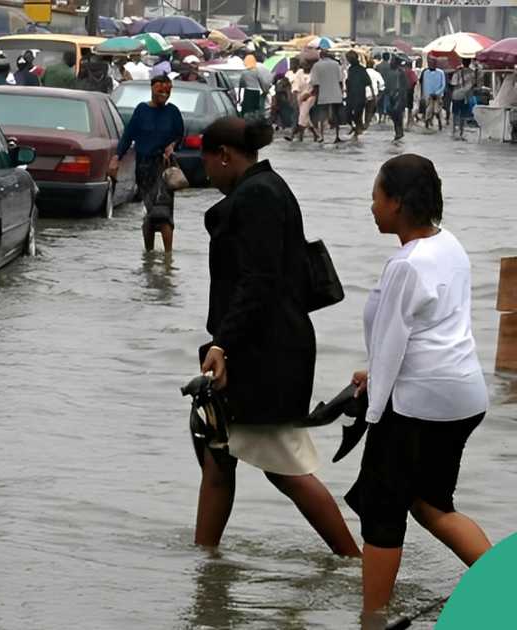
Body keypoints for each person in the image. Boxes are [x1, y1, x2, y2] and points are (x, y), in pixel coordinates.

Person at [193, 116, 362, 559]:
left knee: (283, 466)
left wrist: (222, 345)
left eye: (207, 161)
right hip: (263, 342)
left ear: (224, 155)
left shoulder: (257, 197)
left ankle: (354, 562)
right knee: (218, 452)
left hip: (263, 351)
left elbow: (257, 280)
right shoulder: (267, 188)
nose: (206, 172)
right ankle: (203, 564)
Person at [346, 154, 491, 616]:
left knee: (382, 513)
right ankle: (504, 585)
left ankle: (372, 620)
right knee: (431, 503)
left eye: (376, 197)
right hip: (462, 393)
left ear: (399, 204)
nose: (372, 206)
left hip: (419, 403)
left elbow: (392, 343)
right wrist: (377, 374)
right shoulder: (449, 244)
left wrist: (371, 414)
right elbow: (435, 327)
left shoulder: (406, 265)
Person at [111, 75, 184, 253]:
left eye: (168, 91)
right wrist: (116, 158)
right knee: (151, 212)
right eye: (161, 90)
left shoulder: (173, 112)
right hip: (144, 168)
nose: (164, 95)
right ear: (152, 88)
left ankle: (168, 258)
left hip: (164, 167)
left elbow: (179, 135)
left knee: (164, 212)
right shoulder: (141, 110)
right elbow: (128, 137)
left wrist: (172, 145)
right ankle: (149, 254)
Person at [308, 49, 344, 143]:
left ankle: (322, 137)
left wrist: (313, 94)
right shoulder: (336, 64)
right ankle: (337, 136)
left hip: (322, 94)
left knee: (321, 116)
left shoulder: (317, 66)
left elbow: (315, 82)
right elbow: (340, 80)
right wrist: (341, 92)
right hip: (336, 94)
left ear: (321, 56)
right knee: (336, 116)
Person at [344, 51, 372, 139]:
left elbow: (368, 82)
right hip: (352, 95)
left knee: (357, 115)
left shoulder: (361, 69)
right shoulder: (351, 69)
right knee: (349, 114)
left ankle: (357, 131)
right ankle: (356, 129)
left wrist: (373, 95)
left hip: (359, 95)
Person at [292, 60, 319, 142]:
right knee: (306, 117)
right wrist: (294, 96)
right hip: (300, 96)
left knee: (302, 115)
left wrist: (308, 95)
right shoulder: (299, 73)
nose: (305, 66)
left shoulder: (314, 74)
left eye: (307, 64)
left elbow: (316, 87)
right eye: (304, 64)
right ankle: (315, 134)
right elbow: (295, 85)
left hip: (310, 97)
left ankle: (297, 136)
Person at [449, 58, 476, 140]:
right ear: (469, 63)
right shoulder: (472, 73)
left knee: (455, 114)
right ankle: (461, 132)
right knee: (463, 115)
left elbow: (453, 83)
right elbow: (473, 84)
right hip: (466, 97)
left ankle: (454, 131)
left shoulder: (458, 72)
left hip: (456, 95)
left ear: (462, 62)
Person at [420, 59, 446, 131]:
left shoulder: (441, 73)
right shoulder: (426, 73)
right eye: (429, 63)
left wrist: (437, 93)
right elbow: (424, 84)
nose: (430, 65)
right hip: (428, 95)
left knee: (437, 111)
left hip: (438, 95)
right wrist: (425, 95)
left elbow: (443, 85)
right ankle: (427, 125)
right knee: (428, 110)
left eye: (432, 63)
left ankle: (440, 124)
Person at [387, 57, 409, 141]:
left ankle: (399, 133)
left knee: (398, 115)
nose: (390, 63)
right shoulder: (392, 72)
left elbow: (404, 86)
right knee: (394, 114)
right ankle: (398, 132)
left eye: (392, 61)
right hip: (392, 96)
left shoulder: (401, 72)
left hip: (399, 97)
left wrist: (400, 95)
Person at [365, 59, 385, 129]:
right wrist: (380, 93)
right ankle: (367, 123)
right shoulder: (376, 73)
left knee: (364, 110)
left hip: (362, 93)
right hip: (373, 94)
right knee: (370, 110)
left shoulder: (363, 72)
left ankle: (363, 123)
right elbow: (382, 84)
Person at [375, 52, 394, 123]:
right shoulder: (391, 67)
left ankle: (379, 118)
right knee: (386, 102)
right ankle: (384, 118)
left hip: (380, 86)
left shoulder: (378, 66)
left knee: (380, 102)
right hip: (388, 86)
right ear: (389, 58)